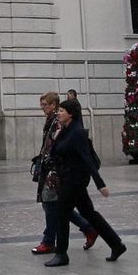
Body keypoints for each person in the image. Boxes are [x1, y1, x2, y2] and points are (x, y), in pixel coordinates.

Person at [45, 99, 126, 267]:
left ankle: (61, 254)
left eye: (61, 111)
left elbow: (88, 160)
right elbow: (55, 152)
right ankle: (116, 244)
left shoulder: (78, 133)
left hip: (75, 181)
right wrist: (57, 136)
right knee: (90, 214)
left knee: (62, 214)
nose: (58, 113)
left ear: (71, 114)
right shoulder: (65, 130)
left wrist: (100, 184)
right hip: (68, 179)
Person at [31, 92, 96, 255]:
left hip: (55, 169)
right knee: (57, 205)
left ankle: (49, 241)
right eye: (42, 105)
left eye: (45, 104)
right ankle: (88, 228)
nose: (43, 108)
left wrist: (53, 161)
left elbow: (58, 143)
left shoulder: (57, 121)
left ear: (54, 105)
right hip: (49, 167)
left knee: (50, 203)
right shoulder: (50, 121)